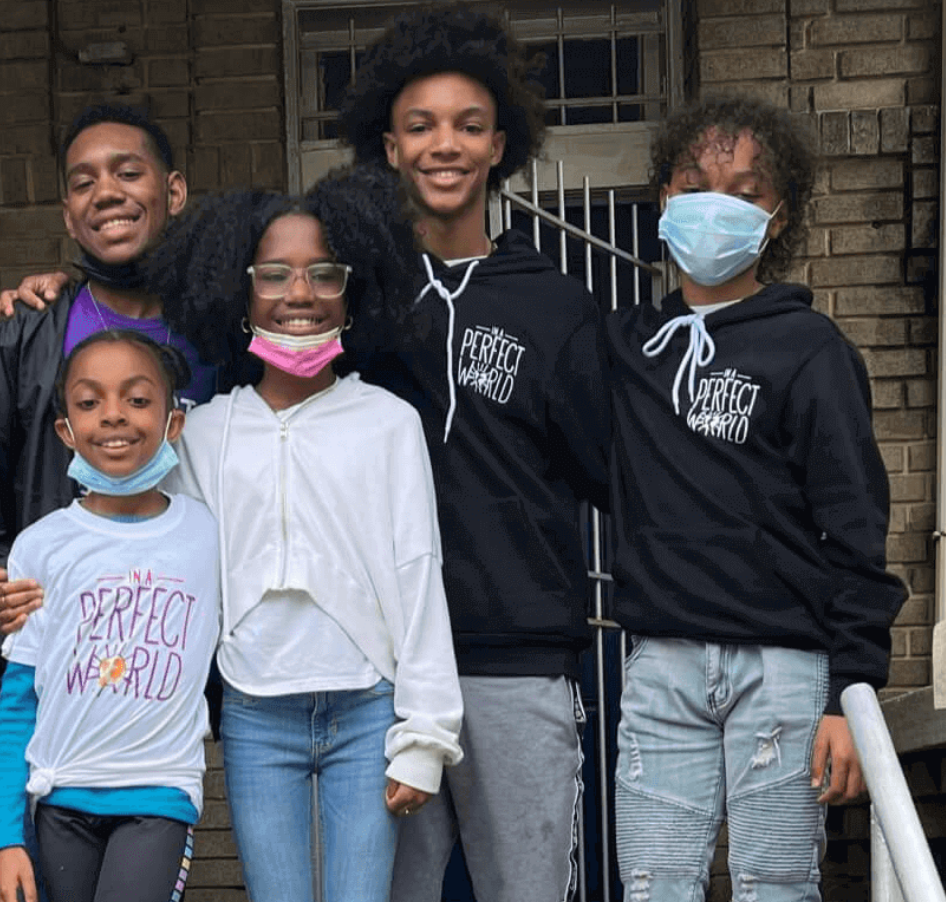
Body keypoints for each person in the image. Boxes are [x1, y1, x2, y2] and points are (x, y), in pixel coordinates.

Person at [332, 7, 611, 902]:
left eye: (467, 125)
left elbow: (611, 474)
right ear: (387, 145)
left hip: (517, 660)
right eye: (420, 126)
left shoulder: (557, 307)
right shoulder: (348, 299)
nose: (442, 145)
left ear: (500, 146)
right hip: (379, 668)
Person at [605, 96, 905, 902]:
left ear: (778, 217)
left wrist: (853, 687)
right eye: (695, 182)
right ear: (663, 199)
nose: (716, 203)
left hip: (782, 667)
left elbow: (854, 524)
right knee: (653, 885)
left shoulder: (811, 351)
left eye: (744, 190)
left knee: (776, 885)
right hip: (662, 665)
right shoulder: (628, 349)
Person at [157, 186, 464, 902]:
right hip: (256, 714)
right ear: (240, 292)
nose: (300, 291)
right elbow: (171, 569)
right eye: (274, 273)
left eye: (324, 272)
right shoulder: (202, 433)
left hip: (367, 709)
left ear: (353, 295)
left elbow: (419, 574)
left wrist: (425, 734)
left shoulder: (387, 422)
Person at [0, 103, 217, 902]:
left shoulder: (223, 332)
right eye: (84, 182)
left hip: (153, 701)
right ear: (66, 211)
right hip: (35, 678)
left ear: (173, 191)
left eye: (128, 172)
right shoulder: (24, 334)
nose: (107, 193)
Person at [0, 329, 221, 902]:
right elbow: (19, 700)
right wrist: (4, 839)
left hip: (158, 795)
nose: (113, 416)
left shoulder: (209, 533)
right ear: (66, 430)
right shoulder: (40, 547)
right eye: (89, 402)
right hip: (60, 798)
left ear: (174, 423)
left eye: (137, 399)